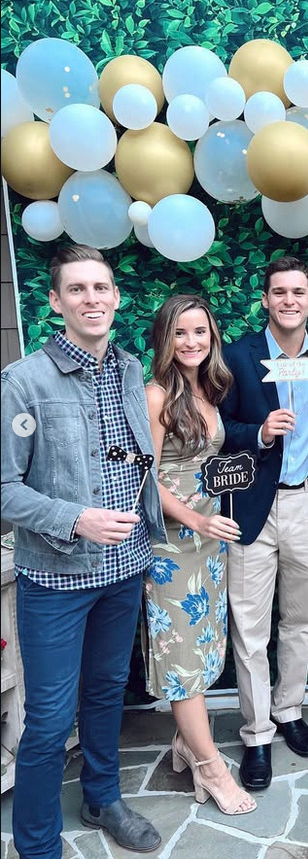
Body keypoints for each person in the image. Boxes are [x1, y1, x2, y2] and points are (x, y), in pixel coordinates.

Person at [0, 245, 166, 857]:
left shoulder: (129, 368)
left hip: (124, 571)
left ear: (116, 297)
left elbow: (128, 458)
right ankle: (37, 846)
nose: (91, 299)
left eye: (101, 287)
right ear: (55, 301)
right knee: (48, 719)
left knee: (105, 694)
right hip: (56, 579)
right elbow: (4, 487)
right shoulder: (24, 381)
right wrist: (76, 519)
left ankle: (103, 798)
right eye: (77, 289)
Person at [220, 255, 308, 790]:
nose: (289, 300)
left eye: (298, 292)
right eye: (279, 292)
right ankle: (257, 733)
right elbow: (217, 424)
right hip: (251, 507)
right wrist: (260, 433)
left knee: (300, 619)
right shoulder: (237, 355)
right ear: (265, 300)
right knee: (249, 627)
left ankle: (288, 710)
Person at [143, 295, 256, 816]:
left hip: (210, 542)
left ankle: (186, 744)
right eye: (180, 333)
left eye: (200, 332)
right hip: (173, 546)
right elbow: (143, 477)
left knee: (204, 646)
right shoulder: (156, 395)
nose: (191, 342)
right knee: (182, 657)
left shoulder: (208, 390)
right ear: (164, 338)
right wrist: (195, 519)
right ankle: (211, 768)